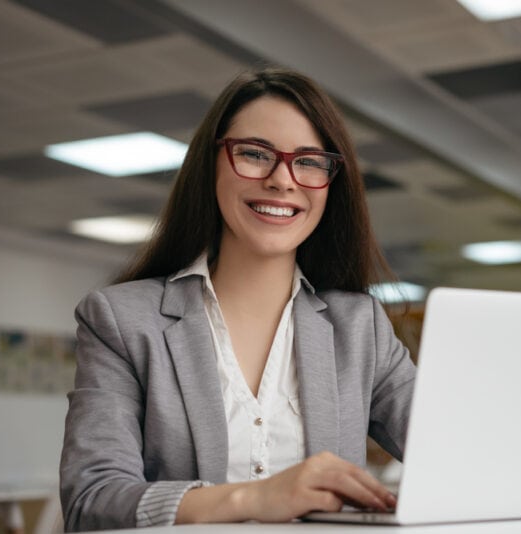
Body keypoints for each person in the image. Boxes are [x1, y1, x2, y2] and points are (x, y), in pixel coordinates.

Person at [60, 67, 416, 531]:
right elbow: (93, 501)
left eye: (309, 161)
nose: (282, 180)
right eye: (254, 153)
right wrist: (254, 497)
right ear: (211, 164)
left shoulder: (360, 327)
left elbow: (458, 455)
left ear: (332, 184)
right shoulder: (122, 321)